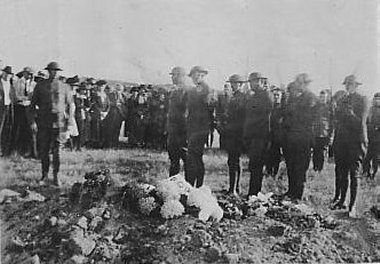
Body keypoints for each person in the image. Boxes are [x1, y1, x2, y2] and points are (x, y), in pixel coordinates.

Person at [30, 62, 74, 186]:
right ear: (48, 71)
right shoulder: (40, 86)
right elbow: (32, 105)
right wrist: (32, 122)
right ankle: (44, 175)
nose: (54, 73)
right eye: (52, 70)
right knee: (44, 151)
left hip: (59, 123)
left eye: (56, 71)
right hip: (44, 122)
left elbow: (70, 105)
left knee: (57, 152)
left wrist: (69, 123)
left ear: (59, 72)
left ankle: (56, 176)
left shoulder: (65, 87)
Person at [332, 75, 369, 214]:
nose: (348, 86)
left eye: (351, 84)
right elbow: (338, 121)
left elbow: (361, 123)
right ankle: (342, 200)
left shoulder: (362, 100)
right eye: (346, 84)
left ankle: (352, 206)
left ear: (356, 85)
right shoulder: (342, 100)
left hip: (356, 141)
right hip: (342, 141)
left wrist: (350, 113)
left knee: (354, 174)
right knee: (342, 172)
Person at [282, 74, 317, 201]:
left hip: (303, 139)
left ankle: (299, 194)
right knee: (291, 165)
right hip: (292, 138)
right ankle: (291, 191)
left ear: (304, 84)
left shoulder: (311, 98)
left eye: (299, 83)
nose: (297, 85)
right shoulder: (296, 98)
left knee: (300, 167)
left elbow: (305, 118)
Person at [216, 74, 247, 195]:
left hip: (237, 133)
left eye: (236, 83)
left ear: (240, 84)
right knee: (232, 160)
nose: (233, 85)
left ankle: (234, 188)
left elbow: (241, 116)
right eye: (232, 83)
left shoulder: (243, 97)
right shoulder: (231, 96)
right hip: (230, 133)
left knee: (234, 160)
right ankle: (233, 187)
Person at [243, 72, 273, 196]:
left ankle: (255, 192)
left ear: (260, 81)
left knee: (257, 165)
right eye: (250, 82)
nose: (250, 84)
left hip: (260, 136)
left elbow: (265, 117)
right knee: (254, 165)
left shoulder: (266, 96)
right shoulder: (254, 96)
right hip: (253, 136)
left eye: (253, 82)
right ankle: (253, 192)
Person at [185, 66, 215, 187]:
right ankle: (193, 184)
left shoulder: (205, 89)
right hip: (194, 127)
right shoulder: (195, 89)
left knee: (195, 156)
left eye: (196, 76)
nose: (193, 78)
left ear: (202, 76)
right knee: (194, 157)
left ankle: (197, 185)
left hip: (200, 128)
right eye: (192, 76)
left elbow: (208, 110)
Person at [167, 67, 188, 176]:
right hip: (173, 131)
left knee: (186, 159)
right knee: (173, 160)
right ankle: (173, 186)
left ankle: (189, 187)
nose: (172, 77)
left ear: (181, 76)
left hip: (183, 131)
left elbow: (187, 113)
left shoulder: (188, 90)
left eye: (174, 75)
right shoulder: (174, 90)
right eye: (172, 75)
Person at [12, 66, 36, 157]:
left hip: (29, 107)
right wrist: (25, 98)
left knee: (30, 129)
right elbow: (16, 96)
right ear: (24, 73)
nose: (29, 76)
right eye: (27, 73)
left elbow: (34, 97)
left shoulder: (34, 84)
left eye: (30, 74)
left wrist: (29, 99)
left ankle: (30, 151)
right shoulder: (18, 83)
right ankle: (18, 150)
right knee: (19, 128)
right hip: (20, 107)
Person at [266, 86, 285, 178]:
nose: (276, 97)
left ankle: (275, 173)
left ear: (281, 96)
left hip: (279, 135)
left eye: (278, 95)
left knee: (277, 155)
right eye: (274, 95)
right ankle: (268, 171)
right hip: (270, 134)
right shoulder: (270, 107)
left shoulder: (283, 109)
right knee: (269, 154)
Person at [312, 89, 333, 173]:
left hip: (325, 133)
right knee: (315, 151)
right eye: (321, 97)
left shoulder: (329, 108)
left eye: (324, 97)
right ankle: (315, 168)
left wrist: (331, 135)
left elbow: (332, 122)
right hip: (315, 133)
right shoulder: (315, 107)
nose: (322, 99)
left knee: (322, 152)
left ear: (327, 98)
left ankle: (320, 169)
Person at [363, 93, 380, 179]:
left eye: (378, 99)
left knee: (375, 158)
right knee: (366, 157)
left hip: (378, 139)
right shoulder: (370, 110)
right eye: (375, 99)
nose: (377, 101)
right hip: (369, 137)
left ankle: (374, 174)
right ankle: (366, 172)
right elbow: (365, 121)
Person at [0, 66, 15, 156]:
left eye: (9, 75)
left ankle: (5, 149)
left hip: (8, 107)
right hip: (1, 107)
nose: (8, 76)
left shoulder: (9, 84)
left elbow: (12, 96)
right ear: (3, 73)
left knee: (8, 128)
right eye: (7, 74)